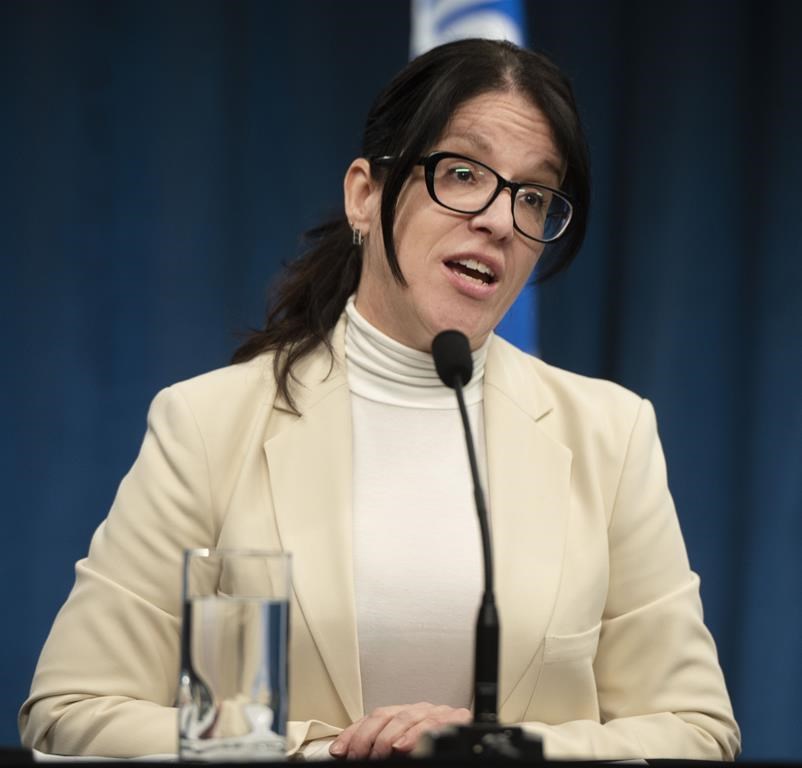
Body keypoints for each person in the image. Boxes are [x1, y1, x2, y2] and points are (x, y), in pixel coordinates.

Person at [19, 39, 740, 761]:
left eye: (533, 197)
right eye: (463, 173)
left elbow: (696, 731)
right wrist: (325, 753)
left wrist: (499, 750)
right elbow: (73, 708)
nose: (498, 220)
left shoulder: (609, 435)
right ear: (364, 195)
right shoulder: (208, 426)